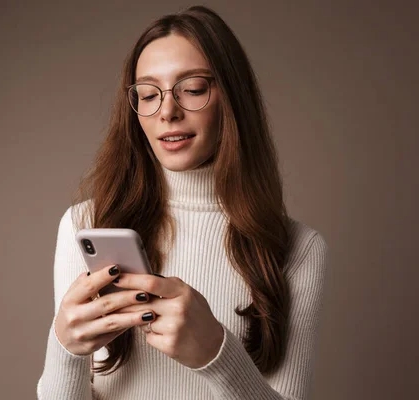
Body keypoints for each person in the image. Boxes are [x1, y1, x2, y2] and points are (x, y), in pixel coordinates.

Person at [37, 5, 328, 400]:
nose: (168, 112)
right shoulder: (85, 223)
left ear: (232, 97)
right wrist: (65, 349)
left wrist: (216, 354)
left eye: (192, 89)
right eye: (148, 94)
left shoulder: (298, 248)